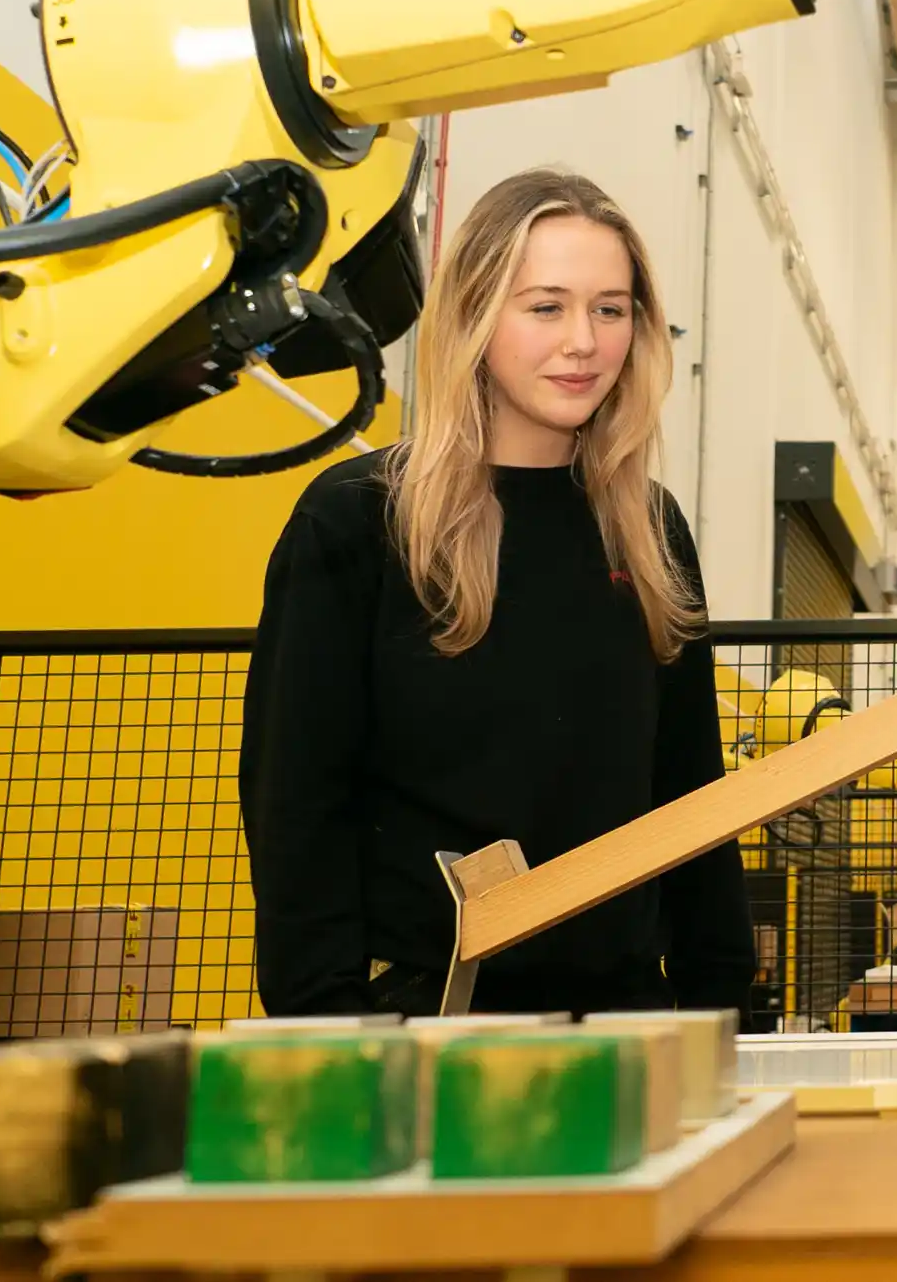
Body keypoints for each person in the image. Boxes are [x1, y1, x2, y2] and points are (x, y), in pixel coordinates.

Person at [240, 168, 754, 1020]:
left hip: (629, 1025)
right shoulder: (362, 519)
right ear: (476, 315)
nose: (583, 341)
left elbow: (690, 789)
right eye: (546, 306)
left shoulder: (647, 531)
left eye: (611, 309)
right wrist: (329, 1030)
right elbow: (296, 800)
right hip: (421, 1021)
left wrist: (719, 1005)